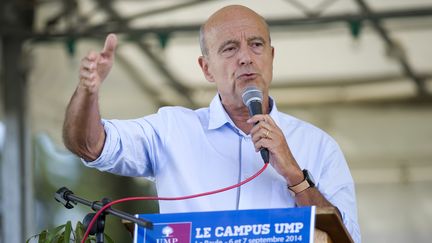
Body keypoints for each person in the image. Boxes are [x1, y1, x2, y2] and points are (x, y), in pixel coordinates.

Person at [63, 5, 360, 242]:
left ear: (271, 57)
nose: (246, 57)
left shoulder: (318, 145)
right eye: (230, 48)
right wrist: (87, 94)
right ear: (206, 68)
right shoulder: (172, 130)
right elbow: (89, 146)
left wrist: (296, 176)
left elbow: (346, 239)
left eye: (256, 45)